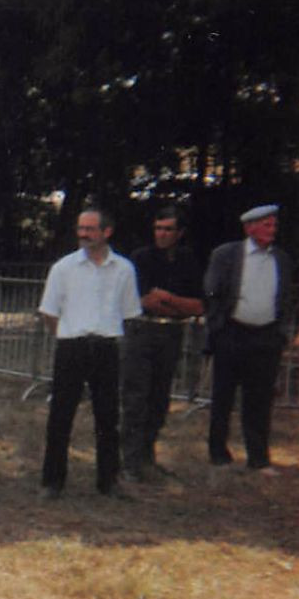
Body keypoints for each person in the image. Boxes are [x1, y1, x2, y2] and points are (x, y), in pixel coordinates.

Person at [37, 206, 142, 499]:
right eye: (80, 228)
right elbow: (49, 312)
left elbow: (129, 312)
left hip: (106, 348)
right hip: (72, 346)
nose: (83, 234)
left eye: (90, 229)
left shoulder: (124, 269)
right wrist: (67, 335)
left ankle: (109, 481)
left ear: (106, 232)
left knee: (108, 418)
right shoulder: (63, 268)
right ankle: (53, 482)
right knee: (60, 416)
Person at [203, 204, 299, 475]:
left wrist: (280, 332)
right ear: (250, 228)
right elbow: (212, 292)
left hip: (266, 336)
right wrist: (217, 327)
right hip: (231, 333)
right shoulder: (227, 255)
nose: (273, 230)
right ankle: (218, 453)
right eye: (267, 225)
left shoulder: (280, 259)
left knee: (259, 399)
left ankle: (258, 458)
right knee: (223, 396)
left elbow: (285, 296)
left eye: (274, 225)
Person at [120, 205, 204, 482]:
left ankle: (147, 455)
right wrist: (174, 304)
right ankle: (129, 461)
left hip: (171, 336)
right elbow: (142, 301)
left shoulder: (188, 260)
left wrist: (168, 299)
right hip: (141, 333)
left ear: (180, 233)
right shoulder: (141, 258)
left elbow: (198, 305)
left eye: (168, 229)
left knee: (159, 398)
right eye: (158, 228)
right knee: (136, 397)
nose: (162, 234)